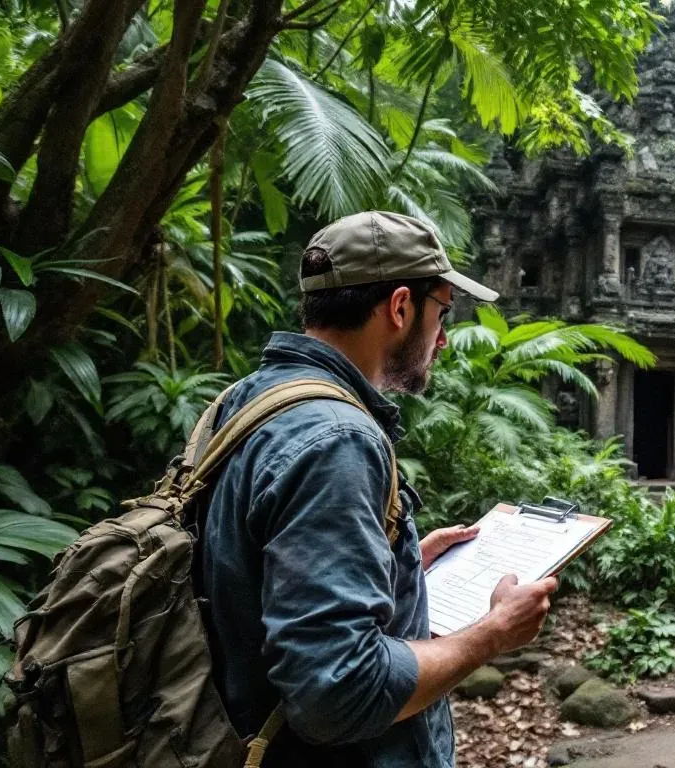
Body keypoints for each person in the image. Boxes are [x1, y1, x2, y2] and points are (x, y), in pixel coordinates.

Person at [200, 211, 558, 767]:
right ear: (399, 307)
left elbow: (252, 578)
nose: (442, 338)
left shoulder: (245, 401)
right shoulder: (337, 439)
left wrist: (400, 561)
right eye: (442, 311)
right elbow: (338, 693)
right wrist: (492, 633)